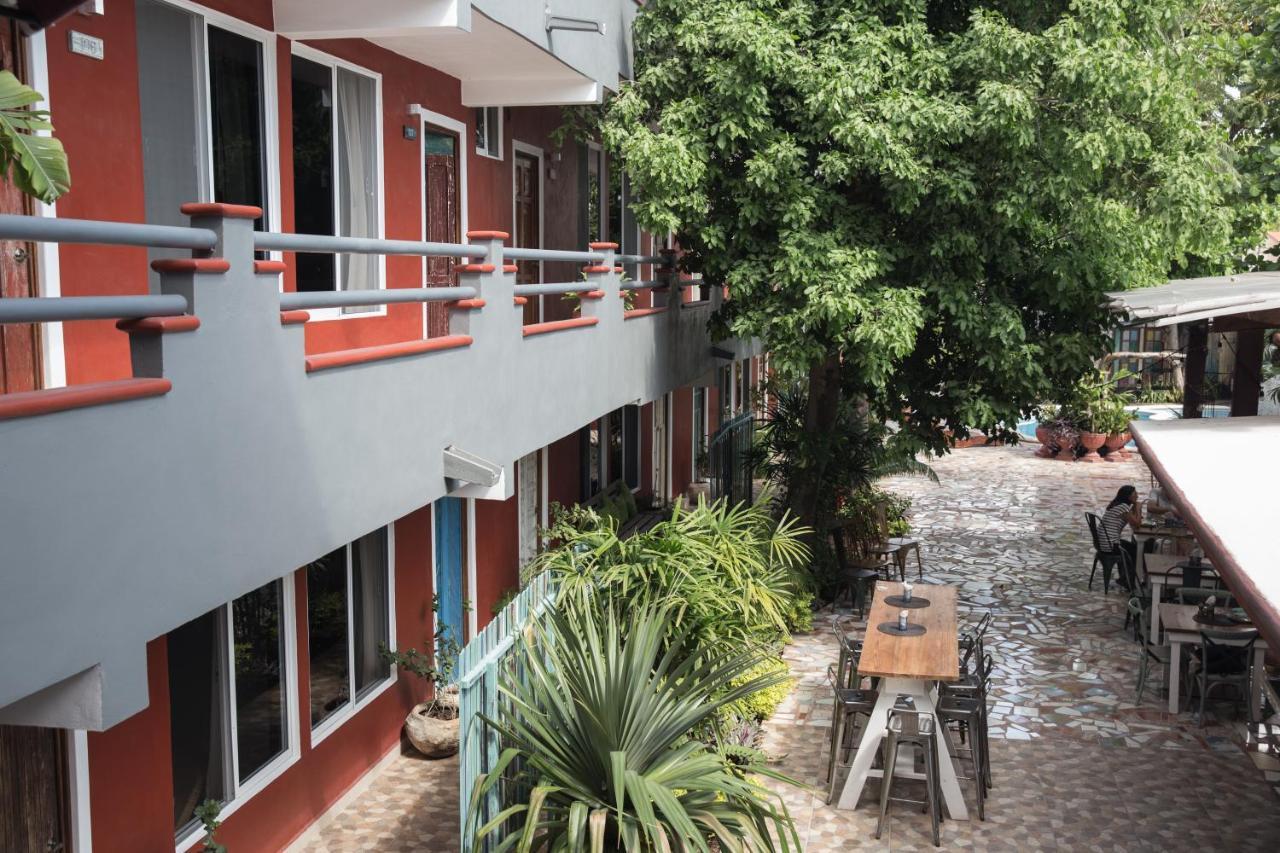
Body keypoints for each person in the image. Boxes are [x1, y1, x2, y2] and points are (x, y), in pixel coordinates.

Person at [1099, 485, 1143, 589]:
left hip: (1106, 542)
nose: (1137, 496)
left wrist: (1135, 511)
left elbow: (1133, 523)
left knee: (1131, 547)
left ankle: (1125, 578)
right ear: (1128, 497)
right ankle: (1128, 581)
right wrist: (1138, 508)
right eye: (1135, 494)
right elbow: (1137, 524)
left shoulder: (1118, 505)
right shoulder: (1123, 507)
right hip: (1110, 544)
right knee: (1136, 551)